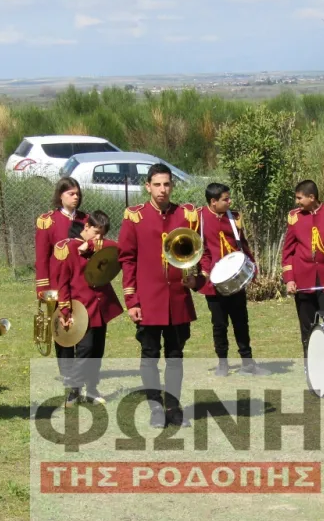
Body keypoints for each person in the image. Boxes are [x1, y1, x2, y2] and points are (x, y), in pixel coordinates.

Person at [119, 163, 202, 428]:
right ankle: (156, 409)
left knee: (175, 356)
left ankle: (174, 409)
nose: (162, 189)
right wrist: (131, 300)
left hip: (177, 298)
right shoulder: (135, 217)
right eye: (157, 184)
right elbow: (127, 260)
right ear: (148, 187)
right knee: (150, 355)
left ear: (172, 186)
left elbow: (199, 252)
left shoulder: (186, 215)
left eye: (166, 184)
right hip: (148, 299)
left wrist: (196, 279)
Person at [53, 210, 123, 406]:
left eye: (102, 234)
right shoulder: (68, 248)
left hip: (100, 307)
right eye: (96, 232)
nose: (99, 237)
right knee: (85, 349)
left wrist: (92, 244)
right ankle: (75, 390)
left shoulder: (98, 246)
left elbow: (118, 247)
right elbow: (63, 283)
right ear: (86, 226)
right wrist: (65, 311)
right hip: (81, 308)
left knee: (97, 351)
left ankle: (92, 389)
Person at [197, 182, 264, 376]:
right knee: (219, 325)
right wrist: (207, 273)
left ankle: (248, 362)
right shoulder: (199, 218)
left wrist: (252, 270)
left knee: (241, 322)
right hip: (213, 282)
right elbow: (200, 250)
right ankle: (223, 363)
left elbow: (243, 245)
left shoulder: (234, 217)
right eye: (226, 199)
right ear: (213, 201)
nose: (230, 202)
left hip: (235, 279)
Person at [282, 180, 324, 358]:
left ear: (312, 197)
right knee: (307, 329)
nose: (297, 202)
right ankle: (310, 366)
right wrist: (289, 279)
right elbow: (287, 252)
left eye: (299, 198)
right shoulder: (295, 217)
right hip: (302, 280)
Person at [36, 177, 88, 380]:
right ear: (60, 195)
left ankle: (80, 370)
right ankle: (66, 372)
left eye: (78, 194)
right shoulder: (47, 221)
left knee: (81, 323)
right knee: (62, 326)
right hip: (56, 283)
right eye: (71, 194)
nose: (76, 197)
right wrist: (43, 288)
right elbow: (42, 258)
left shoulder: (86, 220)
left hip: (80, 281)